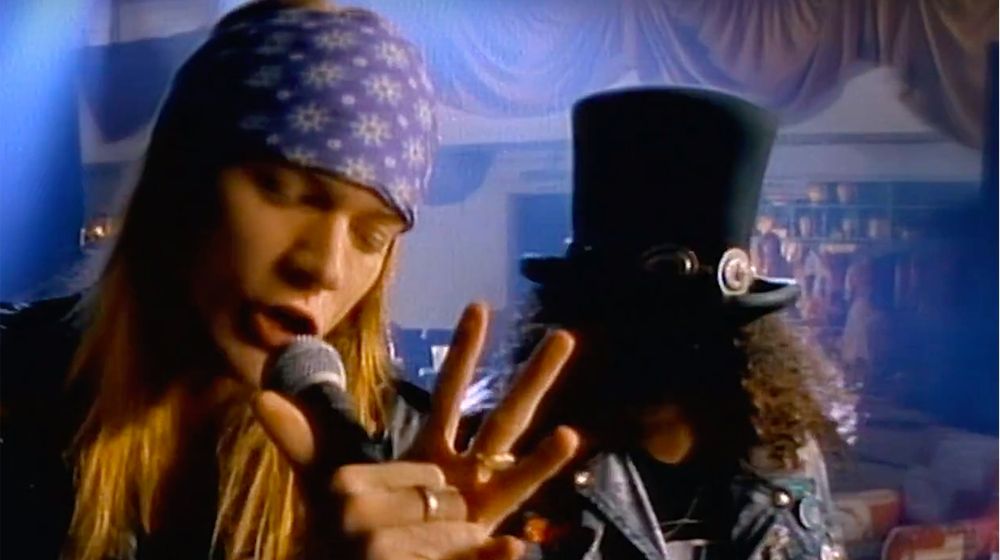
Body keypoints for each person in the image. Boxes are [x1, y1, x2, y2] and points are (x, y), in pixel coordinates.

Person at [0, 1, 579, 558]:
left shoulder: (398, 460)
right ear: (180, 184)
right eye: (284, 192)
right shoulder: (18, 377)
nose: (325, 267)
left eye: (371, 236)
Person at [507, 88, 854, 559]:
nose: (659, 340)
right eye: (633, 314)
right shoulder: (524, 468)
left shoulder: (787, 457)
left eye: (687, 318)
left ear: (741, 334)